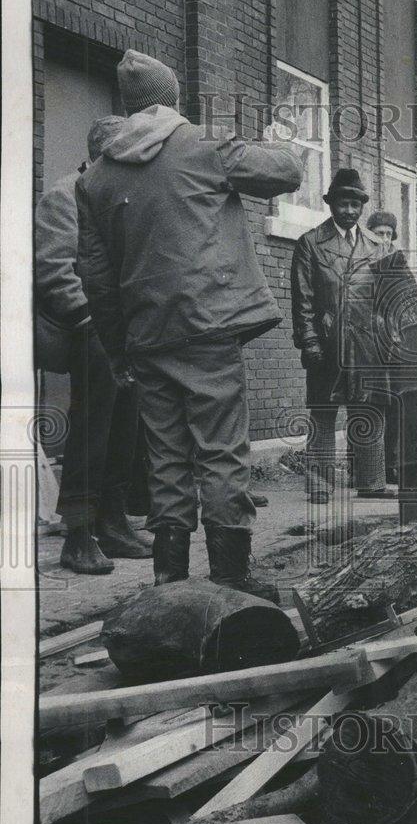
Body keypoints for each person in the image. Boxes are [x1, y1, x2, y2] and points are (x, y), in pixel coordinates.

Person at [76, 49, 303, 599]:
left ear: (129, 107)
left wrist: (119, 351)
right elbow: (287, 172)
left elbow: (96, 279)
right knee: (221, 452)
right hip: (207, 326)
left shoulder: (95, 178)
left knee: (167, 460)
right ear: (172, 100)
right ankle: (229, 576)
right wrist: (284, 135)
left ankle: (169, 581)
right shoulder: (201, 143)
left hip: (145, 336)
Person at [35, 115, 153, 574]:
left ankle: (113, 522)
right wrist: (95, 323)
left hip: (116, 335)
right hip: (77, 330)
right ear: (103, 156)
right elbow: (54, 273)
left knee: (128, 420)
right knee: (94, 426)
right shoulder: (64, 196)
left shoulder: (115, 199)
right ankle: (79, 537)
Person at [292, 171, 404, 503]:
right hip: (328, 340)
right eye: (343, 203)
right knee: (323, 410)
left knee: (368, 408)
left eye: (355, 204)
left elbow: (389, 297)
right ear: (331, 204)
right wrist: (309, 339)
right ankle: (319, 483)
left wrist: (390, 336)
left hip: (368, 340)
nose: (350, 211)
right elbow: (303, 298)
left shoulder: (377, 246)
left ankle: (371, 480)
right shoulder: (311, 243)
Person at [365, 209, 417, 482]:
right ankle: (365, 468)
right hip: (367, 342)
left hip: (394, 342)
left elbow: (413, 298)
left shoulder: (397, 263)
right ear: (370, 235)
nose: (384, 239)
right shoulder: (361, 260)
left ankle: (391, 466)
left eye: (389, 234)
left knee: (394, 404)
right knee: (367, 405)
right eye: (379, 233)